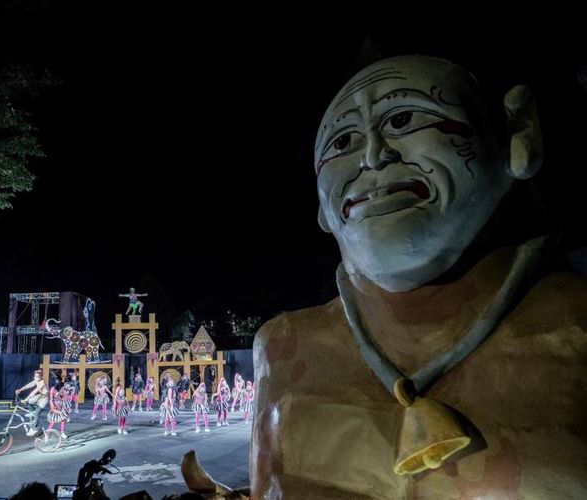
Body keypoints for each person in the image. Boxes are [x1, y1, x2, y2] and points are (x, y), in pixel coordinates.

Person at [252, 51, 587, 498]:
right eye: (344, 141)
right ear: (321, 207)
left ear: (517, 135)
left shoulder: (575, 331)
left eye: (403, 119)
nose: (373, 156)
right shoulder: (281, 350)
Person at [15, 369, 48, 436]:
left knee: (36, 413)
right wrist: (20, 389)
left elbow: (34, 392)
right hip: (41, 396)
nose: (36, 378)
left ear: (41, 377)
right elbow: (29, 385)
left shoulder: (42, 382)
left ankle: (35, 429)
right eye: (35, 376)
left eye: (38, 377)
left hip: (45, 398)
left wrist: (26, 399)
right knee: (30, 402)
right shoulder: (36, 381)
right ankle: (32, 412)